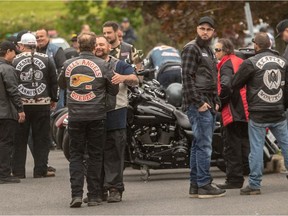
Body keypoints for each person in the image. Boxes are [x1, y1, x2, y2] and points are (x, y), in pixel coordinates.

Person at [58, 32, 119, 208]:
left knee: (76, 156)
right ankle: (94, 196)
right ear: (94, 47)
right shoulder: (103, 64)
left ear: (78, 46)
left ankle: (76, 195)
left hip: (75, 116)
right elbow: (113, 90)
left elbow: (62, 84)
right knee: (95, 156)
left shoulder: (68, 64)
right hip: (97, 116)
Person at [231, 32, 288, 195]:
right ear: (270, 45)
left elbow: (235, 83)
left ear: (256, 45)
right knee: (286, 145)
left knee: (256, 149)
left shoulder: (250, 62)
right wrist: (283, 106)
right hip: (278, 111)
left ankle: (255, 185)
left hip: (258, 113)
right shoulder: (283, 62)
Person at [181, 16, 226, 198]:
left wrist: (216, 99)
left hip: (207, 101)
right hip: (198, 104)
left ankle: (195, 185)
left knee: (198, 145)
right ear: (197, 29)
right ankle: (204, 184)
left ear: (213, 32)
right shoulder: (192, 48)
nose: (205, 32)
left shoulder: (207, 49)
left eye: (208, 29)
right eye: (202, 28)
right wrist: (198, 103)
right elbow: (187, 78)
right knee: (204, 146)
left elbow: (211, 78)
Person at [95, 36, 138, 202]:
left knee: (114, 154)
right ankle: (97, 190)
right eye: (95, 44)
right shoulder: (88, 65)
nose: (98, 47)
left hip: (116, 113)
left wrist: (123, 78)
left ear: (108, 47)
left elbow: (135, 79)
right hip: (93, 115)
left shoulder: (120, 64)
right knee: (95, 154)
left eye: (101, 44)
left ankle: (115, 189)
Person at [12, 33, 58, 179]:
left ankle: (18, 171)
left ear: (21, 45)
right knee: (41, 139)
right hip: (42, 103)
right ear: (35, 45)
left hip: (21, 105)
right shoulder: (47, 59)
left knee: (19, 139)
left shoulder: (14, 60)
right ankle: (40, 170)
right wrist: (54, 98)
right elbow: (53, 80)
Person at [213, 39, 250, 189]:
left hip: (232, 110)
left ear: (226, 50)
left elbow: (226, 86)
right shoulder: (240, 61)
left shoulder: (226, 64)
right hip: (245, 109)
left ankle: (234, 180)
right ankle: (250, 175)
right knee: (244, 144)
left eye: (217, 50)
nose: (215, 53)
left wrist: (220, 103)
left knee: (231, 146)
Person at [0, 41, 25, 184]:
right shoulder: (7, 69)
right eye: (14, 52)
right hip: (5, 112)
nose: (15, 56)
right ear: (8, 51)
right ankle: (4, 174)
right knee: (6, 143)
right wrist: (20, 109)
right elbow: (13, 91)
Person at [36, 28, 66, 110]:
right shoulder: (34, 51)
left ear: (48, 37)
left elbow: (62, 69)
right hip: (41, 89)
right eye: (37, 37)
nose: (39, 39)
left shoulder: (56, 49)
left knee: (56, 112)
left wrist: (56, 89)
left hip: (56, 87)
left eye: (41, 36)